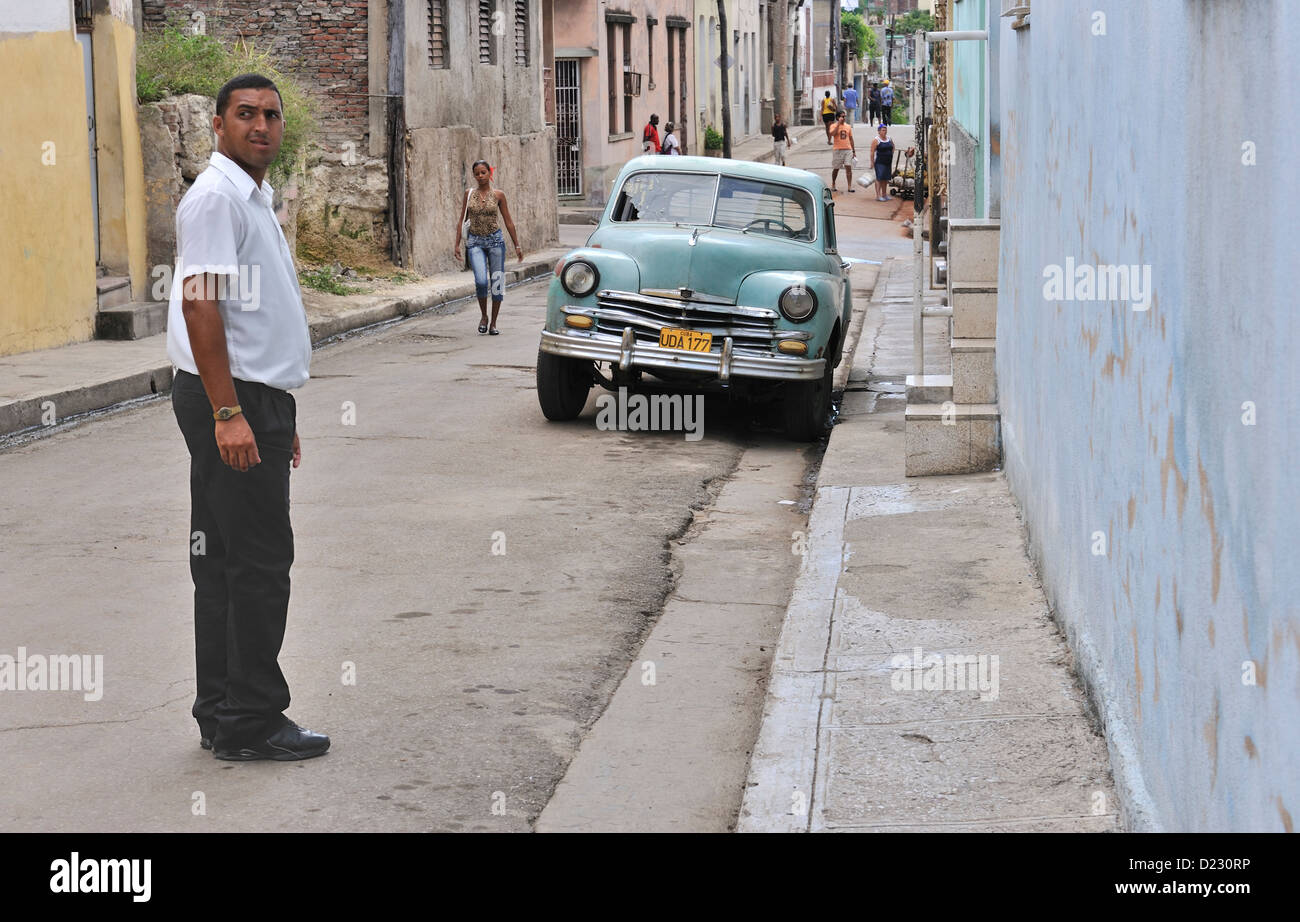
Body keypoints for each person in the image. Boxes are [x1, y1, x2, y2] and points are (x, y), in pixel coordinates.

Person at [167, 73, 328, 762]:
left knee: (226, 561)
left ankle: (224, 711)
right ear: (217, 124)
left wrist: (273, 413)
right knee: (258, 562)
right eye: (245, 114)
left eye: (270, 115)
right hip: (228, 401)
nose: (260, 126)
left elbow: (251, 316)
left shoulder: (249, 196)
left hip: (249, 399)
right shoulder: (217, 198)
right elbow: (200, 305)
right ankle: (254, 720)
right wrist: (233, 413)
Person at [453, 159, 524, 335]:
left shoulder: (499, 195)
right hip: (475, 242)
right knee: (481, 281)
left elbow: (508, 221)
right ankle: (483, 316)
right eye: (477, 173)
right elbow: (462, 219)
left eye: (483, 172)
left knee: (497, 283)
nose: (480, 176)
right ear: (474, 175)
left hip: (495, 242)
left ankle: (493, 323)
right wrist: (456, 244)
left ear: (489, 173)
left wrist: (517, 245)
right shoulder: (469, 194)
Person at [830, 111, 857, 193]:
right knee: (836, 168)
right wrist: (838, 124)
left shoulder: (848, 126)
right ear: (838, 117)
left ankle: (849, 186)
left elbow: (851, 139)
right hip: (837, 150)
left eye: (845, 116)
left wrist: (853, 150)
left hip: (848, 149)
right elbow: (832, 134)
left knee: (848, 166)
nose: (844, 118)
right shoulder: (833, 126)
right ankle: (833, 183)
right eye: (842, 116)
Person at [870, 122, 895, 201]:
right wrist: (872, 162)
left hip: (888, 162)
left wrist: (890, 154)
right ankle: (878, 195)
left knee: (885, 178)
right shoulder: (876, 140)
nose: (885, 131)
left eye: (885, 130)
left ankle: (884, 194)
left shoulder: (889, 138)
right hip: (880, 162)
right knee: (879, 178)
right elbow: (872, 152)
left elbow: (893, 146)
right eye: (883, 130)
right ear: (879, 131)